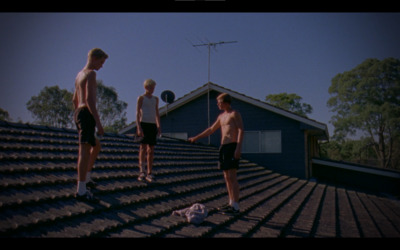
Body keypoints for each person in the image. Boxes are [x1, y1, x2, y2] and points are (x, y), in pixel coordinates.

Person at [188, 93, 244, 215]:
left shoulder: (234, 114)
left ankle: (236, 205)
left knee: (232, 176)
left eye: (219, 102)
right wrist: (196, 138)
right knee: (226, 176)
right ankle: (230, 203)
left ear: (226, 102)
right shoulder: (221, 116)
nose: (217, 104)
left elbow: (241, 130)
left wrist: (238, 148)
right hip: (223, 147)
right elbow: (211, 129)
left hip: (232, 146)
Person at [72, 48, 108, 202]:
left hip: (79, 112)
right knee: (84, 151)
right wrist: (99, 123)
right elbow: (90, 100)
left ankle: (86, 177)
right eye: (101, 62)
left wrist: (77, 116)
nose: (101, 66)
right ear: (94, 58)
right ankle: (81, 190)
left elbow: (75, 99)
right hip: (86, 113)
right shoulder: (91, 74)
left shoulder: (79, 74)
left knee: (96, 145)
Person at [136, 79, 161, 183]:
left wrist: (159, 126)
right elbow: (137, 113)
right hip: (144, 124)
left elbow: (156, 112)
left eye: (154, 87)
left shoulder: (156, 99)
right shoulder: (141, 98)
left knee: (151, 149)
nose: (152, 89)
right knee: (143, 148)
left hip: (152, 125)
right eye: (151, 87)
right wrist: (138, 127)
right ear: (146, 87)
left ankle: (149, 172)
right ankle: (142, 171)